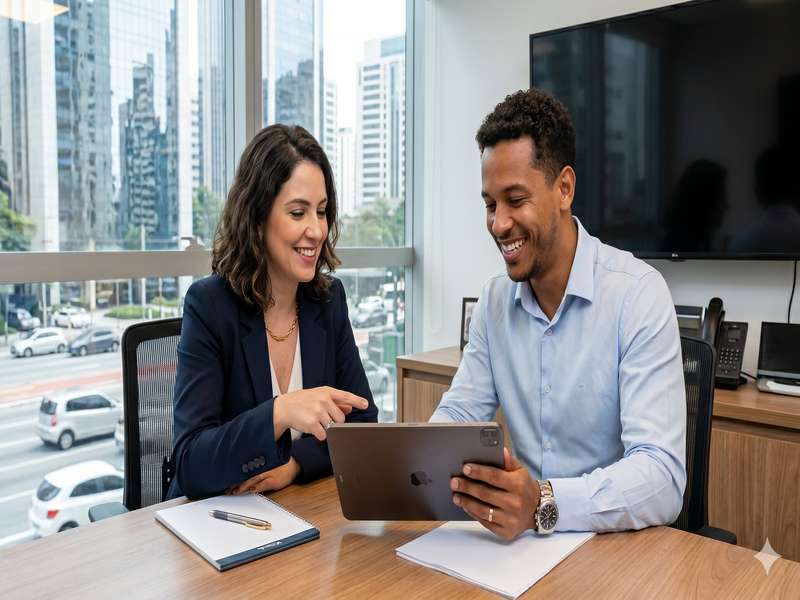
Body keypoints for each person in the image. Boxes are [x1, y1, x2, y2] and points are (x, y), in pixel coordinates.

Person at [430, 89, 686, 539]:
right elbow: (457, 417)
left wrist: (544, 502)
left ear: (564, 188)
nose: (498, 224)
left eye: (515, 200)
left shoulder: (638, 295)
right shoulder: (493, 304)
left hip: (615, 551)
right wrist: (418, 460)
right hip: (519, 551)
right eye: (490, 205)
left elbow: (662, 477)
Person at [168, 123, 378, 500]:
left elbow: (362, 422)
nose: (316, 230)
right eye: (298, 213)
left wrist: (294, 464)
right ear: (257, 219)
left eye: (322, 211)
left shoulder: (329, 302)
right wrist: (279, 413)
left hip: (296, 512)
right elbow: (191, 461)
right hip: (215, 522)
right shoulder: (209, 306)